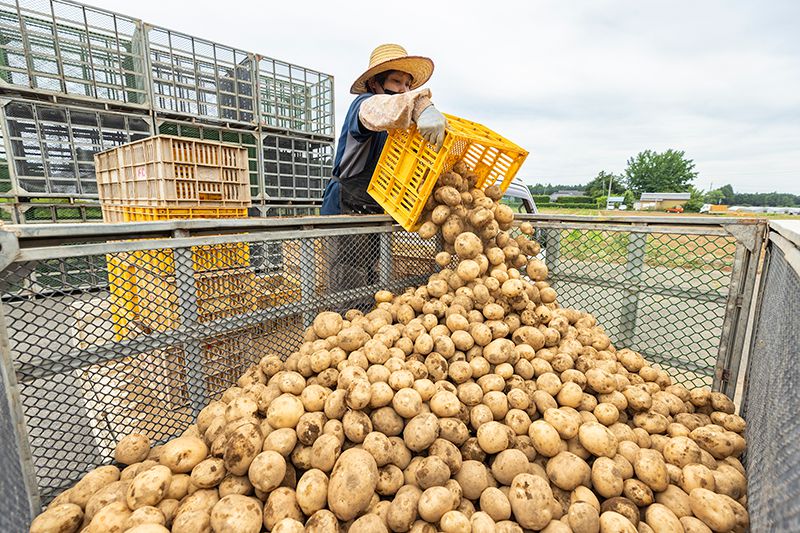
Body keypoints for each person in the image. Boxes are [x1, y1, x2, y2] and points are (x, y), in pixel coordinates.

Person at [320, 43, 447, 215]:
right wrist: (420, 106)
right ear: (374, 83)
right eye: (396, 81)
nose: (404, 90)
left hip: (377, 209)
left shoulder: (398, 126)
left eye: (408, 84)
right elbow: (381, 108)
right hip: (345, 209)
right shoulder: (365, 104)